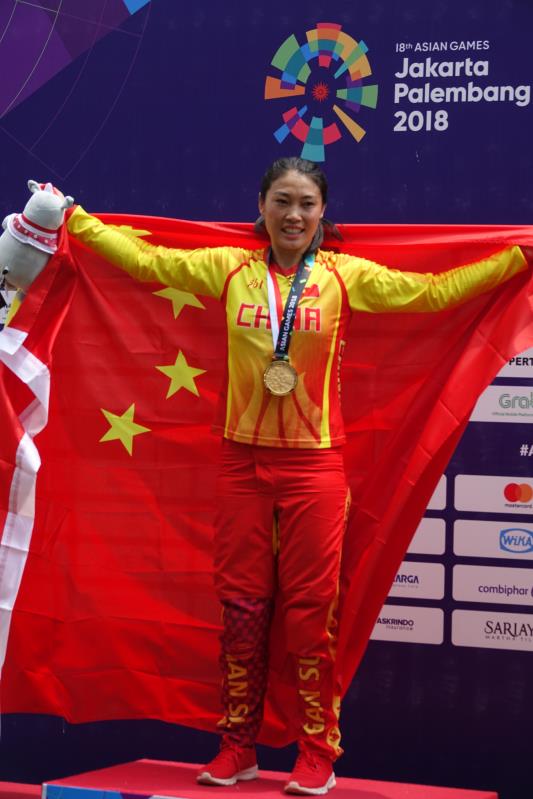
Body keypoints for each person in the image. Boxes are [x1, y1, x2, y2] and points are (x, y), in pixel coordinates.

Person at [64, 157, 529, 795]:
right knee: (242, 610)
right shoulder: (229, 269)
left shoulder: (343, 276)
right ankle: (237, 745)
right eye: (282, 201)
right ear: (260, 206)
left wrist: (516, 260)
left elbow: (432, 294)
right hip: (242, 466)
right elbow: (149, 263)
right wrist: (76, 222)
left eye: (307, 204)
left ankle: (317, 751)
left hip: (314, 467)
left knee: (311, 615)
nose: (294, 215)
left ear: (322, 213)